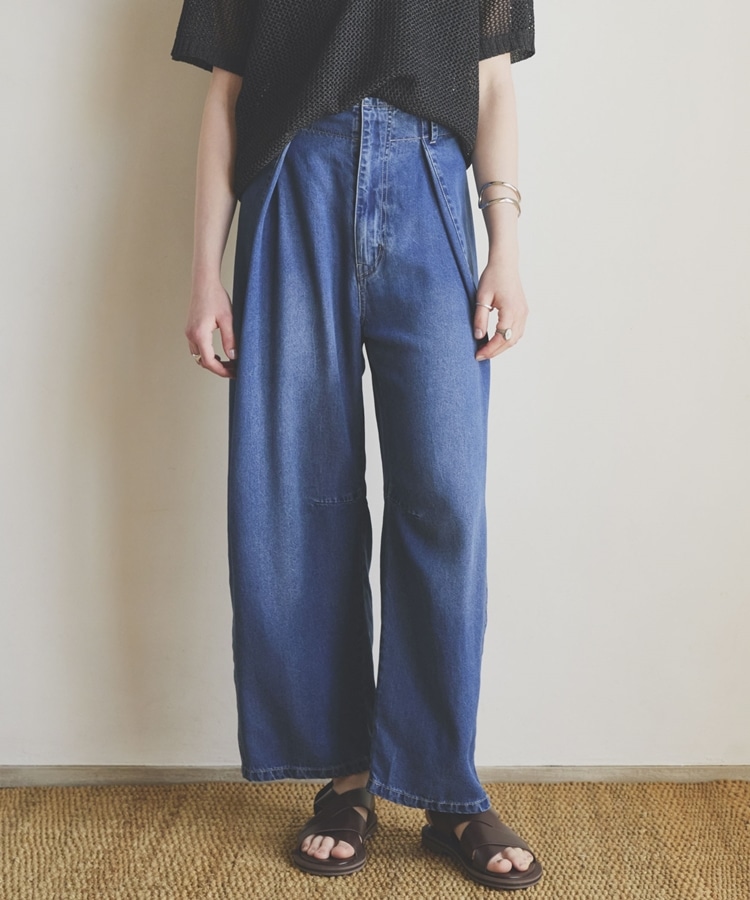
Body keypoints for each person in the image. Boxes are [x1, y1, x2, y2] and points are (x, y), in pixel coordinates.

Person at [172, 0, 542, 890]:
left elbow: (492, 82)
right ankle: (346, 776)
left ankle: (444, 785)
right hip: (293, 177)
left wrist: (506, 245)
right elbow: (227, 91)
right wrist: (203, 273)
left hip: (429, 178)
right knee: (299, 492)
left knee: (445, 496)